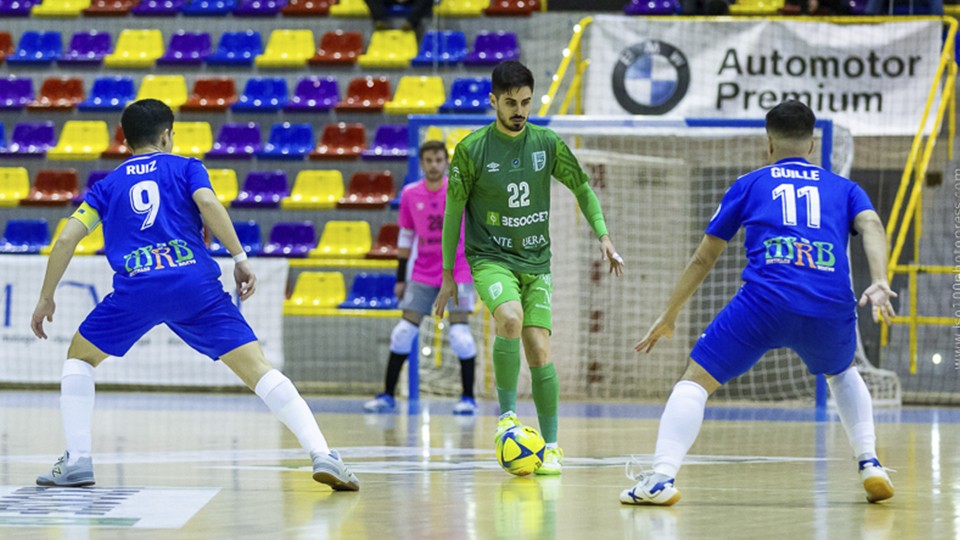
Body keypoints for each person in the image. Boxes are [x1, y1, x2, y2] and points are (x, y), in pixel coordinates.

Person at [29, 99, 359, 491]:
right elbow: (206, 202)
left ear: (125, 138)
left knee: (79, 359)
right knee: (258, 368)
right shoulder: (186, 166)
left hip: (138, 288)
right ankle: (322, 453)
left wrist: (46, 296)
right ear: (167, 134)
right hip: (194, 284)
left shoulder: (106, 186)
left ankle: (78, 461)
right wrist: (239, 257)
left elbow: (67, 236)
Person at [621, 100, 896, 506]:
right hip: (829, 303)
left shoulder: (750, 184)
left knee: (694, 382)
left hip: (765, 302)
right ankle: (870, 462)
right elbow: (871, 223)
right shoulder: (844, 188)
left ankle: (661, 478)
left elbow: (703, 258)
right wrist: (880, 280)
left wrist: (669, 315)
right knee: (841, 373)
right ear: (812, 143)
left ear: (768, 142)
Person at [434, 60, 626, 475]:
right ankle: (506, 418)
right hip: (490, 257)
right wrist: (448, 275)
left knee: (539, 350)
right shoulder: (471, 150)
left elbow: (582, 188)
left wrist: (604, 236)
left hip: (537, 261)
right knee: (509, 319)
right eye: (510, 103)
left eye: (525, 101)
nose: (519, 110)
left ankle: (552, 447)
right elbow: (453, 213)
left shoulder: (547, 143)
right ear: (493, 102)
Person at [364, 140, 479, 415]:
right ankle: (388, 396)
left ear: (446, 162)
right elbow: (405, 238)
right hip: (423, 273)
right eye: (429, 160)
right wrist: (400, 278)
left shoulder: (459, 190)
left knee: (461, 335)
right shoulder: (409, 194)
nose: (434, 165)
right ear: (422, 163)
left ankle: (468, 398)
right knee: (403, 333)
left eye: (439, 160)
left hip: (457, 272)